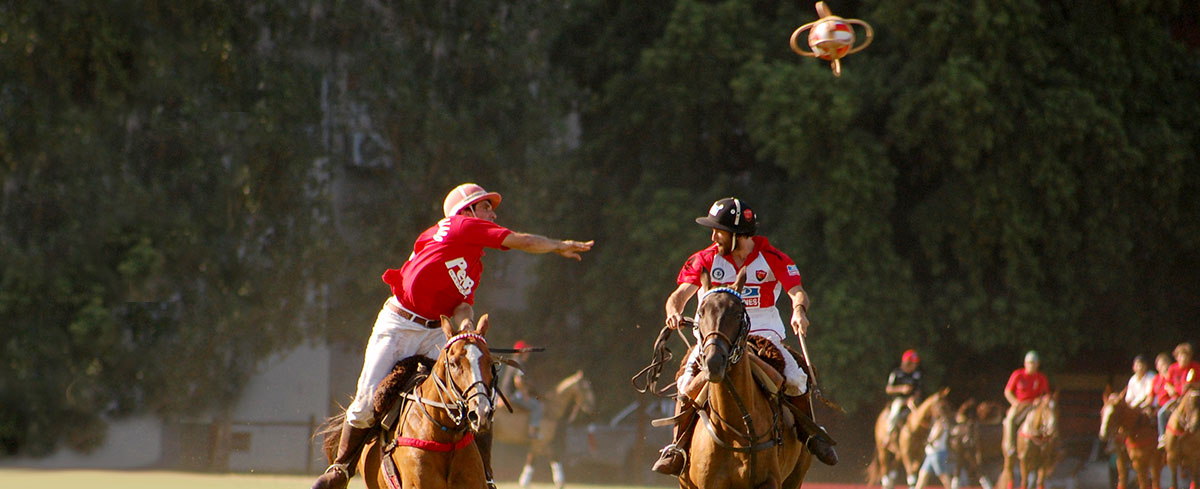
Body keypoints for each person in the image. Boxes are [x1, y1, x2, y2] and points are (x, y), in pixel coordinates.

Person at [312, 183, 594, 489]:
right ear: (468, 211)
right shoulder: (461, 226)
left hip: (436, 330)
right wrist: (557, 245)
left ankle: (484, 476)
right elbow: (519, 240)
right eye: (486, 206)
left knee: (473, 400)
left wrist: (466, 327)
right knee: (367, 402)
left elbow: (463, 305)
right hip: (399, 324)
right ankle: (341, 469)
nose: (493, 213)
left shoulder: (474, 262)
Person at [651, 197, 838, 476]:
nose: (714, 236)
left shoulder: (772, 258)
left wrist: (799, 311)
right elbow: (679, 295)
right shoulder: (704, 259)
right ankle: (678, 447)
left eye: (719, 231)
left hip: (762, 333)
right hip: (715, 335)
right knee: (686, 382)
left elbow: (797, 291)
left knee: (798, 378)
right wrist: (674, 311)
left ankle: (811, 434)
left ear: (738, 234)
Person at [1001, 351, 1050, 457]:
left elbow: (1046, 394)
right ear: (1025, 363)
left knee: (1047, 419)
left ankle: (1046, 445)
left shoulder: (1041, 377)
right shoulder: (1018, 375)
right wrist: (1015, 402)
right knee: (1010, 419)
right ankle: (1010, 445)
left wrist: (1041, 399)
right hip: (1020, 404)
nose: (1032, 365)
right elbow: (1007, 391)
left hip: (1034, 405)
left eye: (1034, 363)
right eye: (1030, 362)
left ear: (1038, 364)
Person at [499, 339, 544, 440]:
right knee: (537, 406)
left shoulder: (512, 362)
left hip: (505, 394)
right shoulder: (518, 363)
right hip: (511, 396)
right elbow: (518, 381)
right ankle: (532, 432)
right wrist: (525, 395)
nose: (528, 354)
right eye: (526, 352)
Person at [1157, 342, 1200, 447]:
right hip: (1177, 398)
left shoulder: (1195, 367)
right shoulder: (1172, 368)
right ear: (1177, 357)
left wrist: (1192, 385)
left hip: (1193, 397)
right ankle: (1162, 437)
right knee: (1161, 414)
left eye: (1186, 356)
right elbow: (1167, 384)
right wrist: (1171, 389)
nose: (1184, 359)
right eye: (1181, 356)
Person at [886, 349, 924, 438]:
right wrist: (901, 389)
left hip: (912, 400)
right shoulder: (896, 373)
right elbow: (888, 389)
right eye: (913, 363)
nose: (915, 365)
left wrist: (913, 398)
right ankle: (889, 435)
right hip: (899, 400)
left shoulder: (916, 374)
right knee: (894, 414)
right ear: (907, 363)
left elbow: (918, 390)